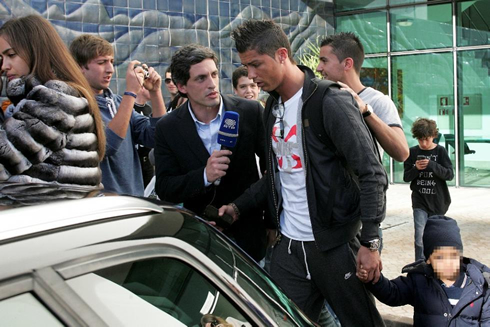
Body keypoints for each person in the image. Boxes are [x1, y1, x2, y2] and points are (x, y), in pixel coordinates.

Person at [221, 19, 388, 326]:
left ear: (282, 54)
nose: (252, 76)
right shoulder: (271, 107)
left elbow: (372, 173)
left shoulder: (331, 101)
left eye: (257, 65)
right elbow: (277, 174)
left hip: (335, 246)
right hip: (288, 248)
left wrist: (370, 241)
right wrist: (237, 206)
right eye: (246, 67)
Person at [154, 44, 267, 262]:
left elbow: (272, 171)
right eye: (201, 78)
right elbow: (165, 188)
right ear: (181, 86)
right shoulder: (167, 127)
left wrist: (263, 219)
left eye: (214, 74)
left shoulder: (250, 112)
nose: (212, 84)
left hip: (250, 238)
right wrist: (204, 176)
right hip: (200, 242)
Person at [0, 15, 105, 189]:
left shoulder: (55, 98)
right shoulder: (40, 97)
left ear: (36, 50)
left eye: (11, 55)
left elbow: (5, 160)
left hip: (53, 211)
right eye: (1, 59)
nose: (4, 66)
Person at [70, 34, 166, 197]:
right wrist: (130, 93)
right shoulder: (75, 105)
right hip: (103, 209)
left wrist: (155, 92)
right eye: (101, 63)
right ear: (79, 67)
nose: (110, 69)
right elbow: (107, 146)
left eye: (111, 62)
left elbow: (157, 136)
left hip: (133, 204)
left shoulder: (118, 102)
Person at [359, 215, 490, 326]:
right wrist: (373, 279)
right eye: (440, 257)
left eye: (453, 255)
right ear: (428, 260)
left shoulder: (480, 286)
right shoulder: (419, 280)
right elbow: (393, 293)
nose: (448, 262)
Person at [316, 32, 408, 162]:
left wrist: (366, 111)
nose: (318, 68)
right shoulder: (320, 99)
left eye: (324, 61)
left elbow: (402, 153)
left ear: (347, 64)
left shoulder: (378, 101)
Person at [404, 118, 454, 261]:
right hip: (419, 202)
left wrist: (432, 165)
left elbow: (449, 174)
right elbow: (406, 177)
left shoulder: (440, 151)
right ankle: (420, 267)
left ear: (433, 136)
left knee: (436, 237)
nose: (424, 143)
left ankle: (435, 265)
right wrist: (416, 169)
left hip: (438, 201)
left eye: (426, 139)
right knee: (419, 237)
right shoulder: (412, 152)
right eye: (420, 140)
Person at [133, 88, 154, 188]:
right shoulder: (130, 108)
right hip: (135, 162)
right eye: (147, 87)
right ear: (141, 88)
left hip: (147, 162)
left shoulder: (148, 109)